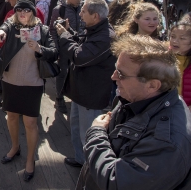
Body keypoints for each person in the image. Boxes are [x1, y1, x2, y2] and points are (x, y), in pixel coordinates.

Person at [77, 34, 191, 190]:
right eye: (116, 69)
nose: (113, 76)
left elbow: (116, 182)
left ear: (153, 85)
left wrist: (96, 133)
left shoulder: (167, 141)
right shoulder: (136, 98)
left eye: (121, 74)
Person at [0, 0, 58, 182]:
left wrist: (39, 48)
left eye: (26, 10)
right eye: (19, 10)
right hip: (11, 81)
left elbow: (53, 51)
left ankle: (30, 160)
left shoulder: (42, 30)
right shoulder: (11, 27)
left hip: (33, 83)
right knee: (11, 116)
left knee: (30, 123)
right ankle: (15, 147)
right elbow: (2, 29)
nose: (22, 13)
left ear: (33, 12)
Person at [55, 0, 116, 168]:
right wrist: (71, 34)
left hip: (91, 94)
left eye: (83, 11)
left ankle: (92, 170)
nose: (80, 14)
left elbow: (80, 57)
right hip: (81, 91)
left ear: (95, 16)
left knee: (88, 134)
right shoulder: (95, 30)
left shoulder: (105, 37)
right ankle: (81, 159)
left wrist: (65, 36)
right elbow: (83, 48)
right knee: (76, 128)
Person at [49, 0, 85, 113]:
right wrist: (56, 49)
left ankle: (74, 95)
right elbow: (52, 30)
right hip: (64, 47)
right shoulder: (59, 10)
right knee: (62, 73)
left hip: (79, 45)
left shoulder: (83, 8)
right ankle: (59, 97)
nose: (80, 0)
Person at [168, 21, 191, 109]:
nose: (175, 41)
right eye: (173, 36)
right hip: (169, 109)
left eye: (182, 38)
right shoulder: (163, 58)